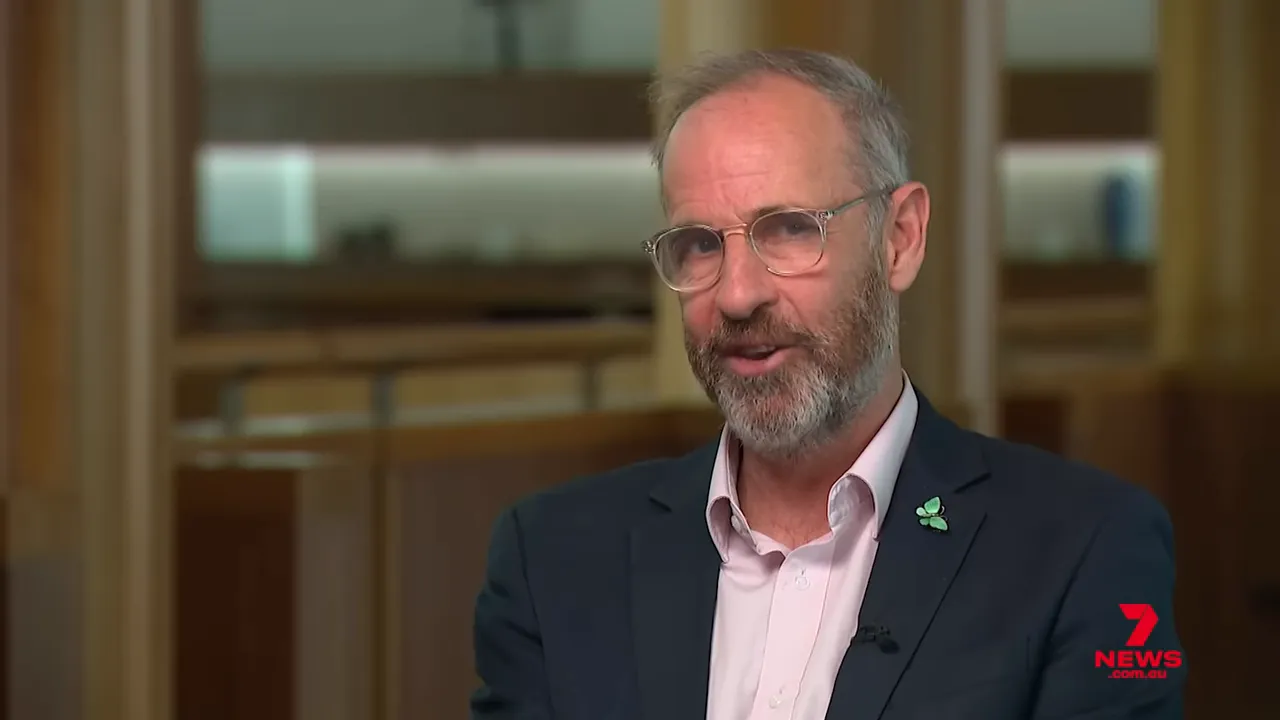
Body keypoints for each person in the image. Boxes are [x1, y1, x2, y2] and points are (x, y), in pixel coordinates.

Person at [470, 49, 1184, 720]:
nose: (738, 295)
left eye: (788, 230)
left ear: (899, 238)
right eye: (699, 244)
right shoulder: (551, 559)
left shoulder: (1085, 549)